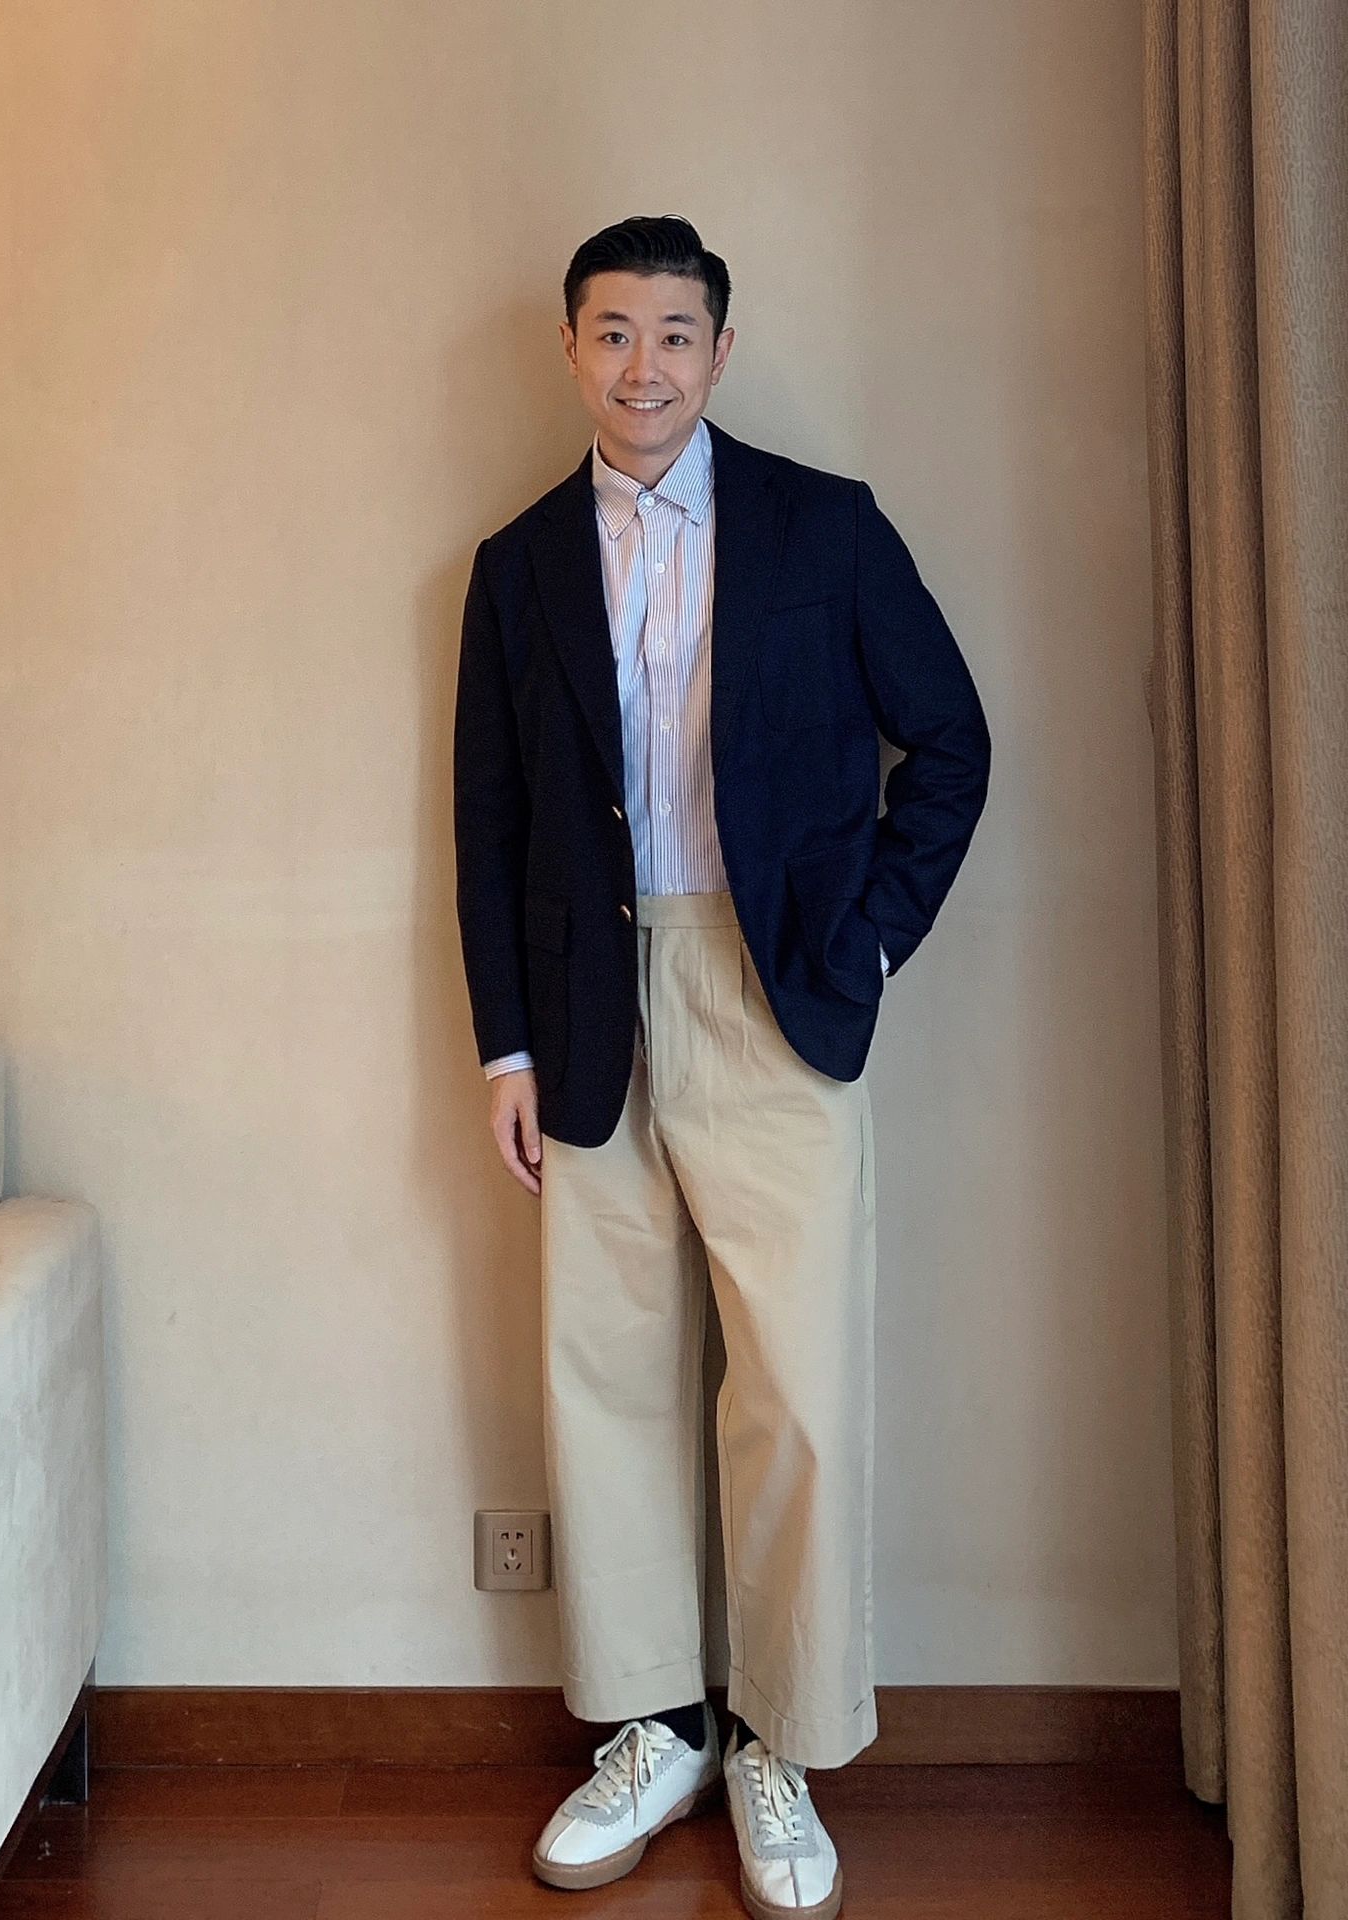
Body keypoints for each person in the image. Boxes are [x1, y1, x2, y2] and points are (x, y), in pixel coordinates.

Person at [453, 214, 990, 1919]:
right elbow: (488, 820)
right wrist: (505, 1042)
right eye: (613, 332)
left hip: (775, 993)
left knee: (794, 1387)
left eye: (675, 335)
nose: (645, 366)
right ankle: (655, 1729)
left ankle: (777, 1741)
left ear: (720, 353)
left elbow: (952, 742)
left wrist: (869, 941)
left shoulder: (826, 528)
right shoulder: (518, 563)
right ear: (570, 348)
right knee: (605, 1377)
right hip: (586, 1004)